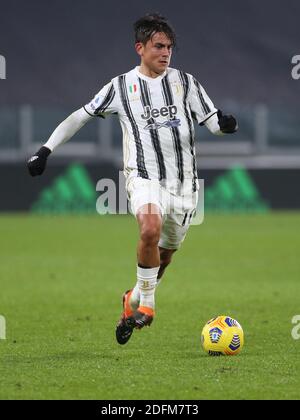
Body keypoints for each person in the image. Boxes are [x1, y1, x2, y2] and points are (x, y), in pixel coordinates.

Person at [27, 13, 238, 345]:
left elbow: (211, 121)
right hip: (143, 176)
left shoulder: (186, 82)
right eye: (158, 46)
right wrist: (45, 149)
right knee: (149, 228)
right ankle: (149, 305)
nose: (165, 53)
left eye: (169, 47)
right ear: (140, 47)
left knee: (165, 256)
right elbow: (79, 117)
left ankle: (134, 298)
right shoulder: (121, 87)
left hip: (184, 185)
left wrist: (225, 125)